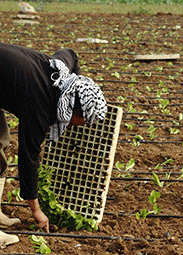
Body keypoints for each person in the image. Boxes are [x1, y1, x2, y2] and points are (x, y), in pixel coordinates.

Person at [0, 43, 107, 246]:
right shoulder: (40, 104)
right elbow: (28, 157)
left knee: (1, 140)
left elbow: (72, 54)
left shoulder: (62, 75)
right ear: (74, 111)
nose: (80, 126)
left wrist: (75, 80)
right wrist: (36, 209)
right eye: (83, 121)